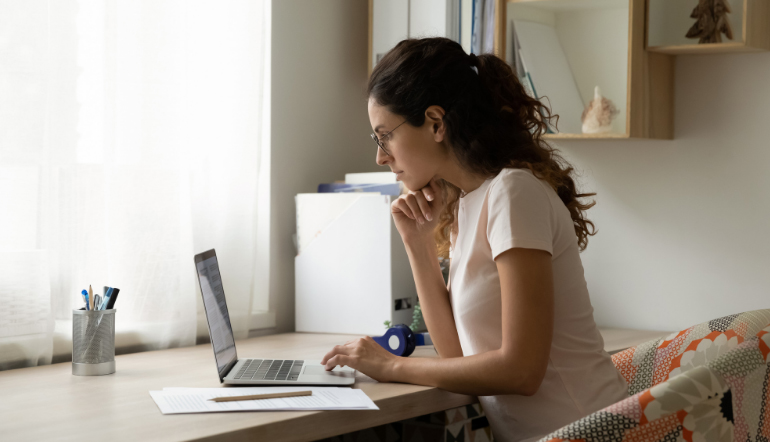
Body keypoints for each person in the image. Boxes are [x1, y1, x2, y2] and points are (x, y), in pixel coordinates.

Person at [320, 37, 628, 442]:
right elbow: (458, 359)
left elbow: (522, 370)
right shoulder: (467, 204)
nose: (380, 156)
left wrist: (391, 365)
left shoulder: (513, 193)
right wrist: (418, 244)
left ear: (435, 122)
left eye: (384, 136)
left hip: (591, 434)